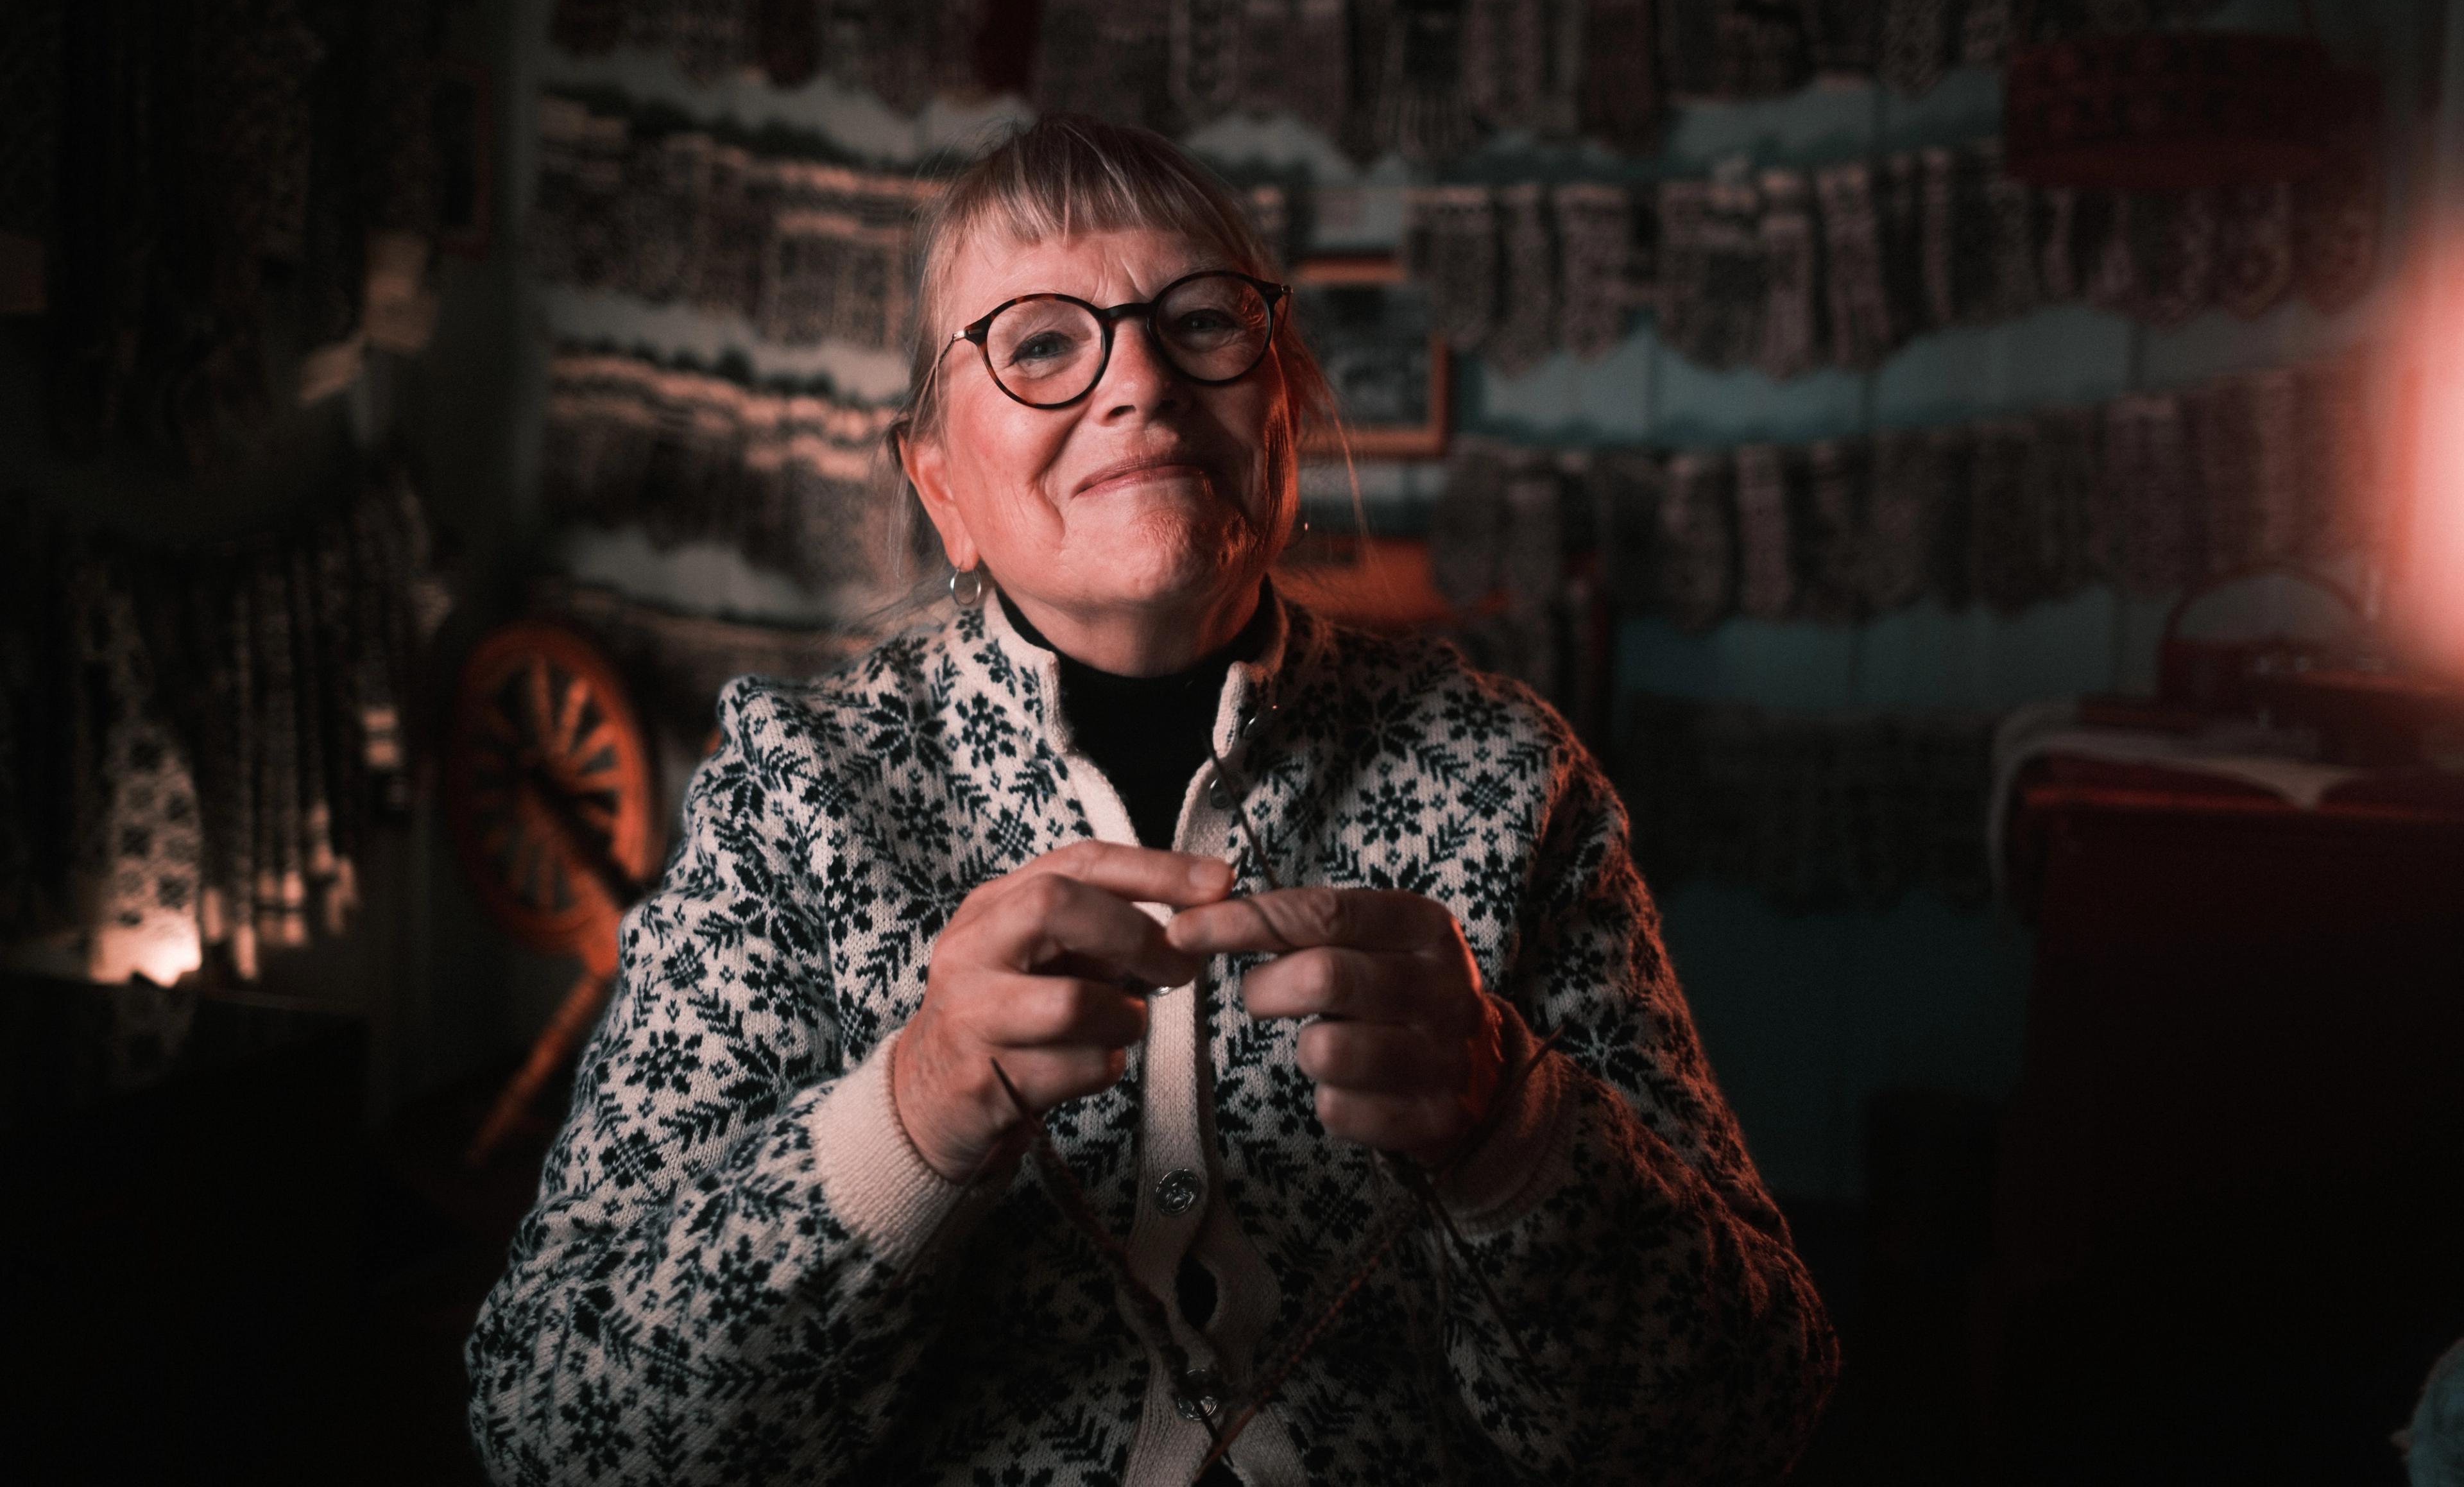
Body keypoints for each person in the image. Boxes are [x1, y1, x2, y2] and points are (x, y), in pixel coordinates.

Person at [467, 114, 1836, 1485]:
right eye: (1039, 344)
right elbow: (551, 1430)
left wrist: (1508, 1130)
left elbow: (1752, 1413)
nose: (1140, 380)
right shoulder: (797, 795)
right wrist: (911, 1118)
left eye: (1201, 320)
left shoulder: (1506, 778)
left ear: (1282, 408)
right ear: (941, 486)